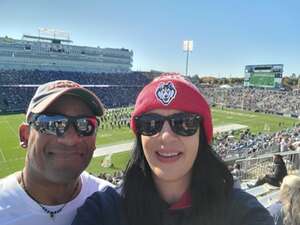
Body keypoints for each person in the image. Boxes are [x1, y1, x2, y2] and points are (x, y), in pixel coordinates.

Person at [72, 73, 274, 225]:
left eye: (184, 123)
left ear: (202, 136)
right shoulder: (104, 210)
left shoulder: (241, 212)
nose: (166, 136)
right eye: (151, 124)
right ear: (139, 136)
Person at [0, 80, 113, 225]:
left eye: (85, 125)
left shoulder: (112, 201)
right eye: (51, 124)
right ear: (25, 135)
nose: (70, 140)